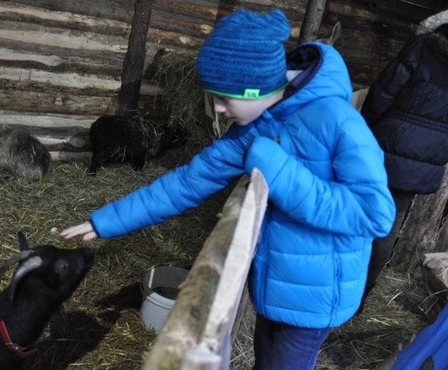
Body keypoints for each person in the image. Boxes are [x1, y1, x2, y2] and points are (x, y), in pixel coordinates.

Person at [61, 9, 395, 370]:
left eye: (224, 98)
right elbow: (187, 182)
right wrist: (107, 221)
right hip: (271, 281)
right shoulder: (256, 126)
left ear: (255, 88)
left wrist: (277, 168)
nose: (218, 111)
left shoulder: (337, 121)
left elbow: (374, 214)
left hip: (316, 296)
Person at [359, 9, 448, 311]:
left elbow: (384, 90)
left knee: (356, 208)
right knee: (389, 223)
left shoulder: (423, 47)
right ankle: (361, 296)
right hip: (424, 160)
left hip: (385, 144)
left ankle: (337, 281)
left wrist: (365, 130)